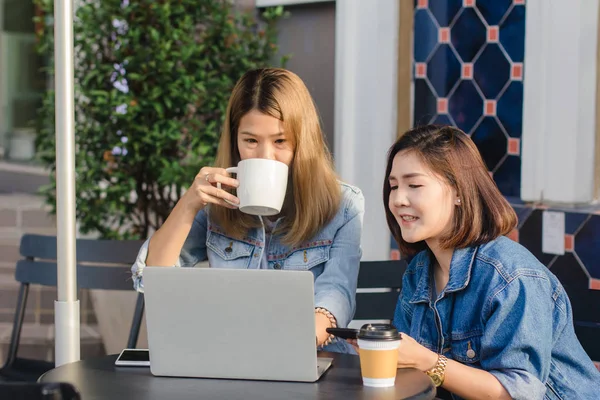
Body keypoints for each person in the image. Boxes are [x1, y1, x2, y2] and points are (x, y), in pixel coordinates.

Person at [131, 68, 364, 353]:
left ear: (303, 141)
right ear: (235, 141)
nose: (266, 156)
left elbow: (336, 292)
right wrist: (188, 204)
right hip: (231, 356)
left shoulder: (343, 205)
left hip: (312, 356)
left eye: (280, 141)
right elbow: (153, 279)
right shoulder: (217, 204)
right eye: (251, 141)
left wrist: (289, 347)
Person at [363, 124, 600, 399]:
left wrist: (427, 361)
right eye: (393, 186)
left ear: (459, 193)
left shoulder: (511, 276)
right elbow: (406, 372)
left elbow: (518, 393)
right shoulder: (418, 273)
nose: (398, 199)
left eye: (414, 185)